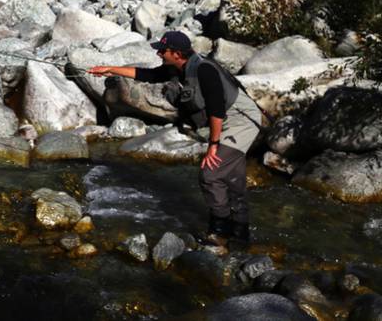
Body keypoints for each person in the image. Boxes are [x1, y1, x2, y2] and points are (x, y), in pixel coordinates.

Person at [88, 30, 261, 246]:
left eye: (163, 50)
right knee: (232, 176)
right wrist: (110, 69)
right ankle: (241, 234)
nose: (159, 53)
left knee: (211, 173)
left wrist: (213, 145)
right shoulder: (176, 68)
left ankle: (220, 230)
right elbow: (147, 75)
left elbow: (216, 110)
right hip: (225, 118)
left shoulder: (204, 70)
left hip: (240, 120)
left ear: (177, 54)